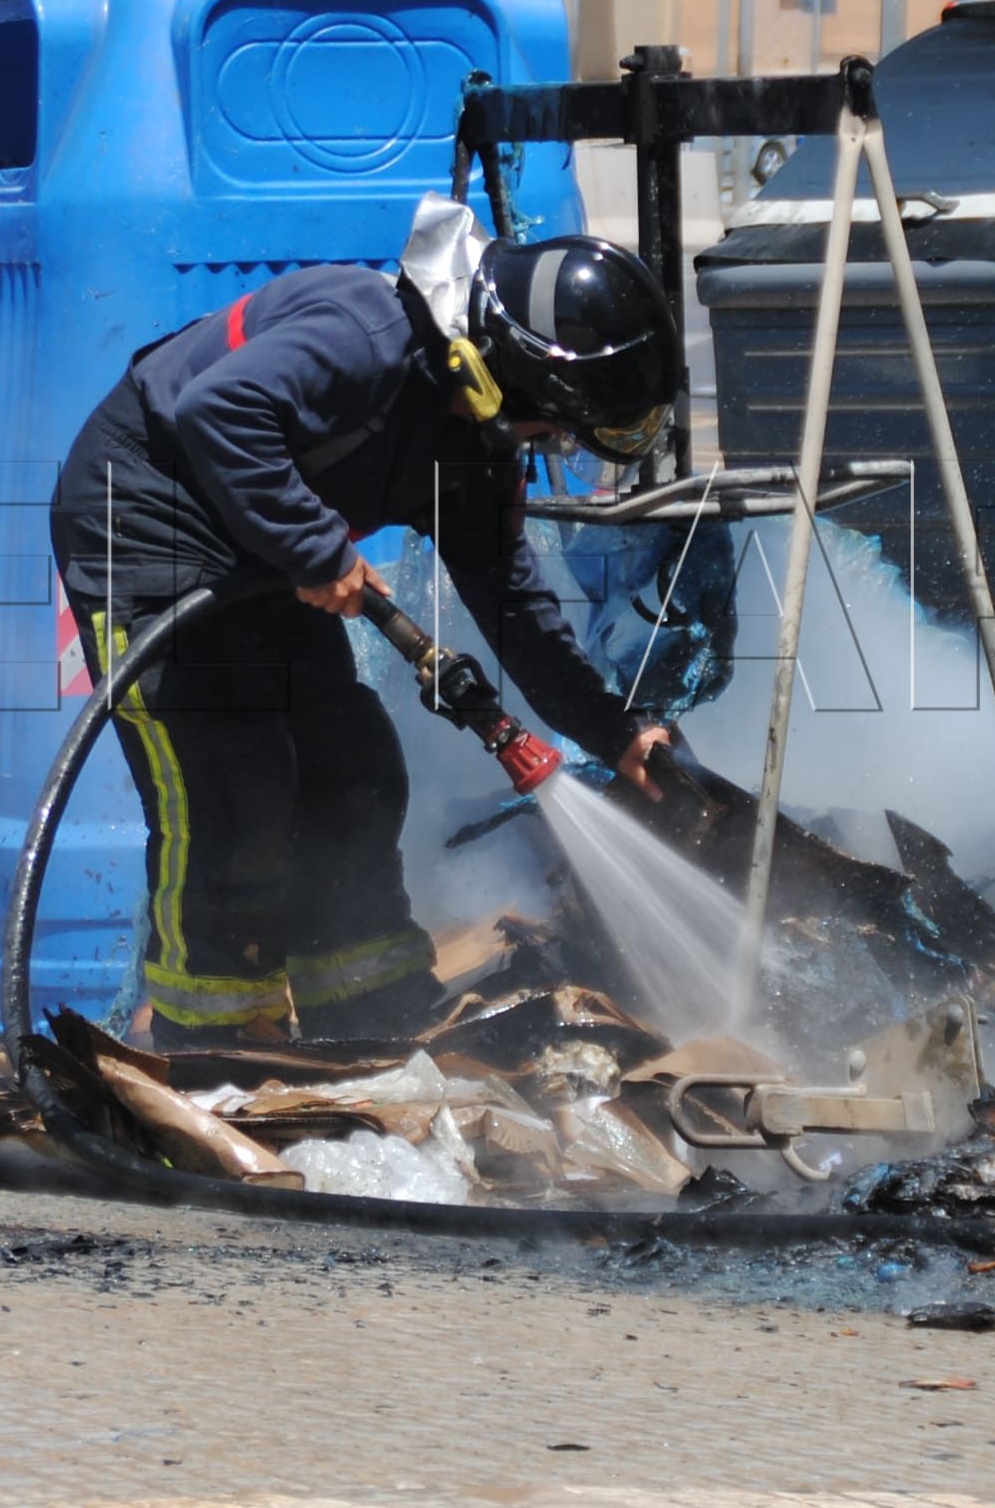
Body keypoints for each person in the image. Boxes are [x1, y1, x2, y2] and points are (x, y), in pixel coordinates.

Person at [49, 199, 685, 1045]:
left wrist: (613, 731)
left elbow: (514, 606)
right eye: (559, 427)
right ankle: (212, 1040)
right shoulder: (365, 335)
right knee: (235, 787)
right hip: (144, 515)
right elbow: (217, 413)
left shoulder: (475, 446)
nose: (550, 443)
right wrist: (317, 549)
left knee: (354, 765)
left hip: (260, 547)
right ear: (516, 379)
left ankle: (366, 1010)